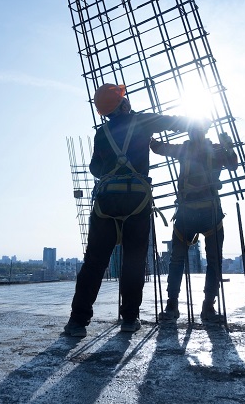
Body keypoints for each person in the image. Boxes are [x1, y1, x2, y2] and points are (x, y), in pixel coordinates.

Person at [64, 84, 189, 337]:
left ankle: (77, 322)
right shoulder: (141, 121)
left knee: (94, 262)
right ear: (122, 104)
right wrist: (195, 124)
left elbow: (95, 169)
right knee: (133, 261)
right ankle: (130, 319)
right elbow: (172, 122)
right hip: (136, 201)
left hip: (106, 203)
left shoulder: (102, 134)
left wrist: (114, 168)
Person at [150, 118, 238, 323]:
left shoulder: (187, 149)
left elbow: (157, 148)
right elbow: (233, 165)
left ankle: (179, 305)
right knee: (206, 261)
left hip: (195, 213)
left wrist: (148, 132)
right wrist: (228, 146)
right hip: (203, 212)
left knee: (178, 261)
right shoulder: (213, 150)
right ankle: (205, 307)